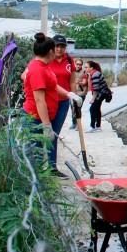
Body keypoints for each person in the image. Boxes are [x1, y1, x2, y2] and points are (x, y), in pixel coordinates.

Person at [21, 33, 82, 176]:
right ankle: (35, 184)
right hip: (34, 117)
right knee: (35, 149)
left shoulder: (44, 66)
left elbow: (53, 85)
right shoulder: (37, 70)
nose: (58, 51)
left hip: (47, 113)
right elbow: (39, 100)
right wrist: (47, 125)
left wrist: (69, 94)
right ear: (50, 52)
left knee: (46, 142)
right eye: (55, 48)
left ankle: (47, 173)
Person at [47, 34, 78, 165]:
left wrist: (75, 98)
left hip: (63, 102)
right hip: (48, 101)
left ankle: (51, 166)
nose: (59, 49)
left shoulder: (69, 61)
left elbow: (72, 81)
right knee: (45, 133)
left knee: (55, 133)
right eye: (57, 46)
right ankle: (43, 164)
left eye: (62, 46)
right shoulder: (47, 59)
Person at [85, 61, 110, 132]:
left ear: (91, 68)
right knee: (97, 109)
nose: (85, 68)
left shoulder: (95, 74)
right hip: (101, 93)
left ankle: (92, 126)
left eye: (86, 67)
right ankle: (98, 126)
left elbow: (96, 89)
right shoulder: (92, 74)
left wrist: (93, 99)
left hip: (101, 94)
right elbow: (91, 88)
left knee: (92, 109)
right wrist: (89, 77)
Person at [70, 58, 89, 129]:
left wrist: (79, 82)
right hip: (72, 93)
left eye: (80, 64)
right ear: (75, 64)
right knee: (72, 108)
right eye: (77, 64)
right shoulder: (72, 71)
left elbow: (85, 82)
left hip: (81, 93)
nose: (78, 66)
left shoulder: (84, 72)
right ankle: (74, 123)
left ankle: (78, 125)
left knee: (78, 108)